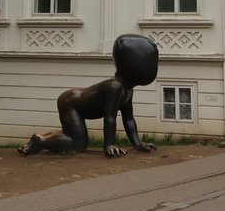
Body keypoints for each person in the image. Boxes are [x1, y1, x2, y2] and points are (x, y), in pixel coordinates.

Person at [18, 34, 159, 158]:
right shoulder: (115, 87)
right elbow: (110, 118)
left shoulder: (127, 90)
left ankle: (42, 138)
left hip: (75, 101)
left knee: (73, 139)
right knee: (78, 145)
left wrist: (137, 144)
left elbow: (128, 119)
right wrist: (109, 145)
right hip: (71, 103)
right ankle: (41, 141)